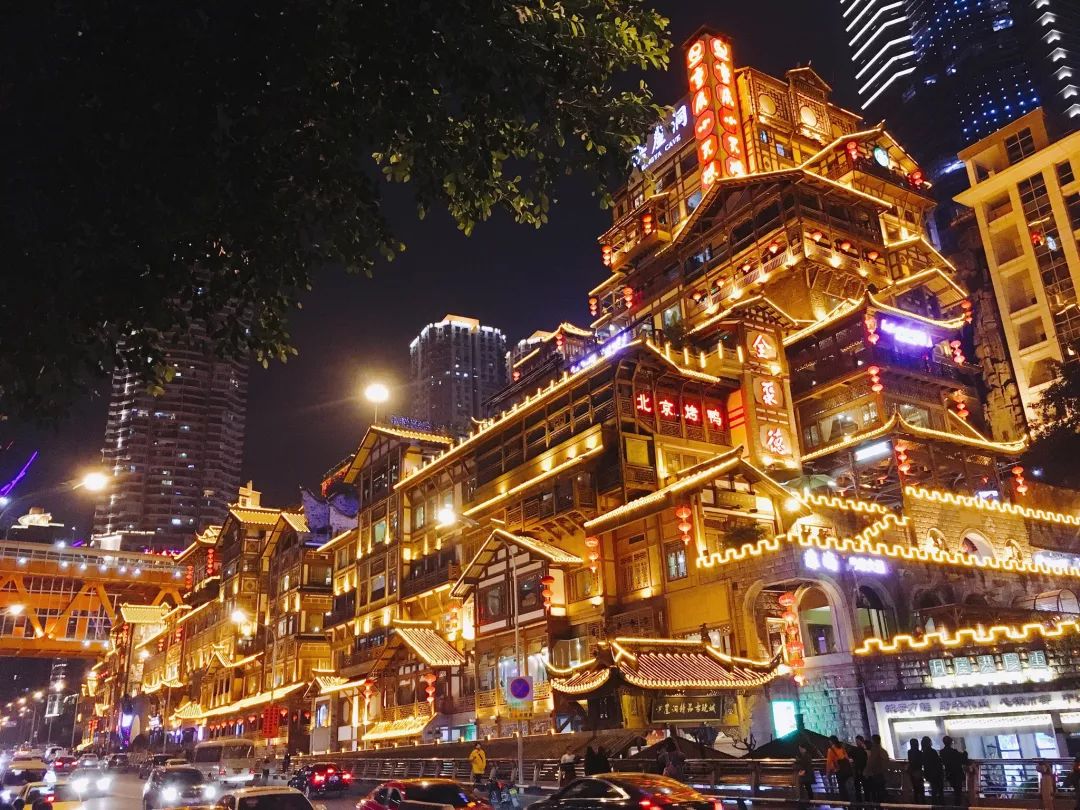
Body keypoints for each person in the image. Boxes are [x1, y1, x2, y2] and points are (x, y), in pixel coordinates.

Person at [940, 736, 967, 807]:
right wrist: (965, 752)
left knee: (956, 790)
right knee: (958, 791)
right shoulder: (954, 752)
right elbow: (963, 759)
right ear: (951, 742)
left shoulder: (942, 752)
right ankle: (958, 805)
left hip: (950, 774)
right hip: (957, 773)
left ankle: (956, 805)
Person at [864, 734, 890, 805]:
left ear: (873, 741)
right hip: (883, 774)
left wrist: (866, 772)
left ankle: (879, 805)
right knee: (882, 789)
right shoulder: (883, 751)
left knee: (877, 792)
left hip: (876, 773)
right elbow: (887, 761)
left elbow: (871, 762)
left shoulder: (875, 751)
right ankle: (884, 804)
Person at [826, 735, 853, 801]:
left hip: (839, 770)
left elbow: (829, 763)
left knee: (841, 786)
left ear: (831, 741)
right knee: (847, 786)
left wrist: (828, 773)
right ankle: (850, 800)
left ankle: (844, 801)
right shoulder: (842, 748)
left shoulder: (831, 750)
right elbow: (847, 758)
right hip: (847, 770)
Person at [921, 737, 944, 802]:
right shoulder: (932, 751)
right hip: (936, 773)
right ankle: (941, 802)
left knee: (934, 789)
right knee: (940, 789)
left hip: (929, 773)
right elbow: (937, 762)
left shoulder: (923, 752)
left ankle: (934, 802)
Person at [795, 742, 815, 808]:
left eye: (800, 748)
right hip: (807, 774)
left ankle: (807, 802)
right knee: (808, 788)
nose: (799, 750)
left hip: (806, 774)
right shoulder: (806, 755)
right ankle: (810, 802)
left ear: (803, 748)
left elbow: (806, 765)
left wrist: (803, 771)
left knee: (806, 788)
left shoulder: (806, 755)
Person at [850, 735, 869, 801]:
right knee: (865, 787)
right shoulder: (865, 750)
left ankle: (859, 801)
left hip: (859, 770)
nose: (856, 742)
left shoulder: (856, 750)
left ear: (861, 741)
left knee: (858, 787)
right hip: (863, 771)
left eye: (857, 741)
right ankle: (866, 800)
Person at [908, 738, 925, 803]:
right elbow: (922, 762)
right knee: (921, 788)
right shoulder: (920, 753)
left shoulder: (909, 752)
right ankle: (923, 802)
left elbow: (910, 762)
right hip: (919, 771)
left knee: (915, 788)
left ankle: (916, 802)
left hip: (912, 772)